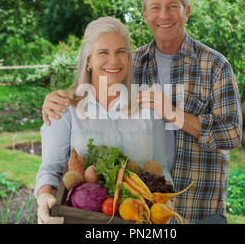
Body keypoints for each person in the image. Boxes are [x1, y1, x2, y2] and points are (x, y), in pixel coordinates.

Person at [41, 0, 242, 224]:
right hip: (141, 213)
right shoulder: (132, 62)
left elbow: (232, 135)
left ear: (186, 11)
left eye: (173, 6)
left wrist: (173, 114)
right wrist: (56, 100)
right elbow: (99, 79)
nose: (164, 15)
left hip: (199, 207)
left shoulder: (215, 65)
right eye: (155, 7)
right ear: (145, 14)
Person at [35, 16, 174, 224]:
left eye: (121, 52)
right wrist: (45, 198)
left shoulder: (150, 108)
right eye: (103, 52)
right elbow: (51, 171)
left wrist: (165, 210)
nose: (114, 61)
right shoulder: (64, 109)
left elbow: (162, 169)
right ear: (88, 60)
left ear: (128, 58)